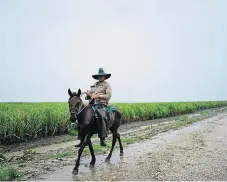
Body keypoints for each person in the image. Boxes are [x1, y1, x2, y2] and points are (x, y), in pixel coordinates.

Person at [75, 68, 112, 147]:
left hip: (101, 104)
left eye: (102, 76)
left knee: (101, 117)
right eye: (99, 76)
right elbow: (87, 98)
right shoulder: (94, 85)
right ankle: (81, 139)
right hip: (92, 104)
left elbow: (108, 96)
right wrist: (88, 95)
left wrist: (98, 96)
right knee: (80, 115)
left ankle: (102, 138)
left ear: (104, 77)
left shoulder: (107, 85)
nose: (100, 77)